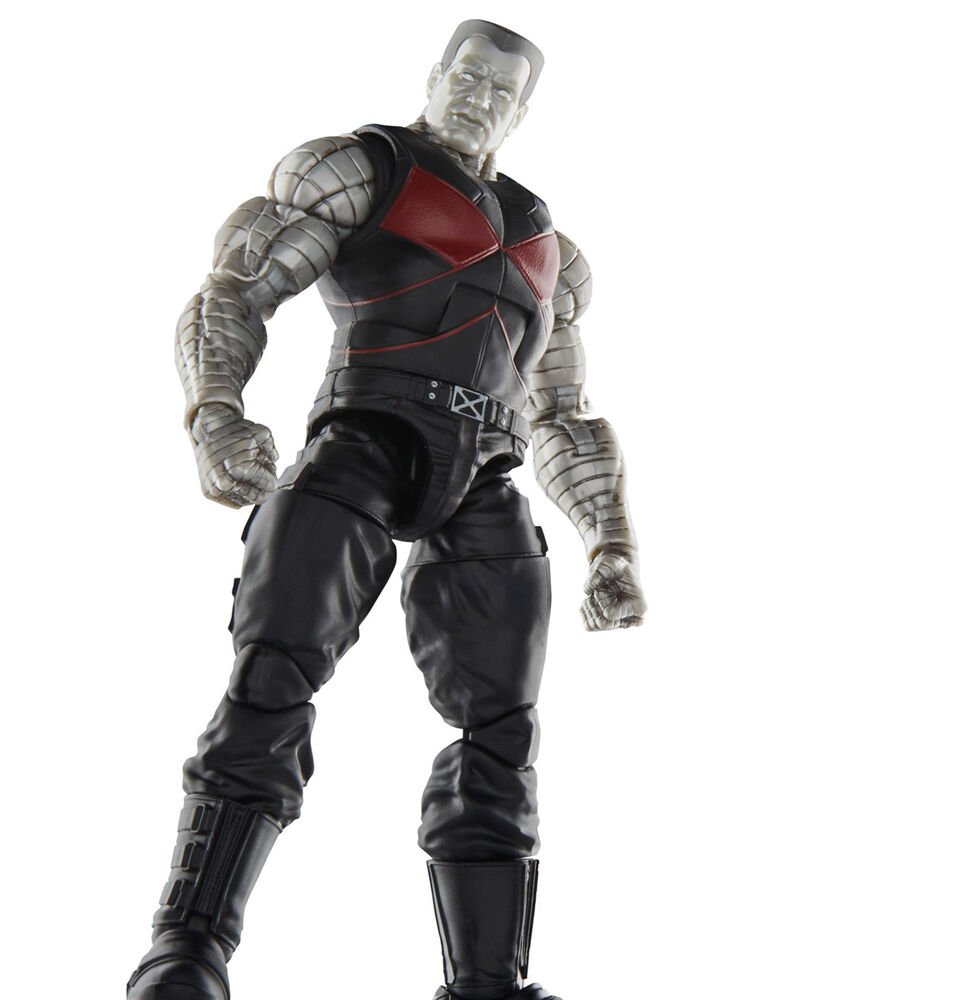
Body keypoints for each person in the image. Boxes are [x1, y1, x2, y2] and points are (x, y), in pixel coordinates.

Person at [127, 19, 646, 1000]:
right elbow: (234, 289)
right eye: (469, 77)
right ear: (436, 74)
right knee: (273, 676)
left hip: (485, 470)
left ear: (523, 112)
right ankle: (187, 948)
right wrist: (216, 412)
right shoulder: (359, 170)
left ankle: (489, 983)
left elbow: (565, 413)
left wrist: (609, 542)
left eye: (502, 92)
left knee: (503, 732)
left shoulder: (550, 250)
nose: (480, 99)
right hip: (364, 437)